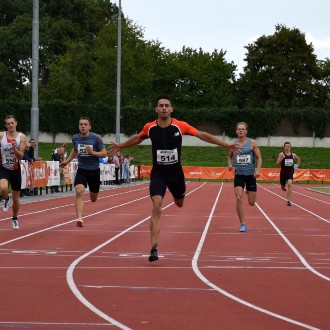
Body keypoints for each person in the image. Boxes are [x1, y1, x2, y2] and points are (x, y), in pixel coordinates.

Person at [109, 94, 240, 262]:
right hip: (159, 174)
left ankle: (179, 195)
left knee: (179, 203)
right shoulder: (150, 127)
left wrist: (225, 144)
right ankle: (154, 248)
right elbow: (138, 138)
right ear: (156, 109)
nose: (163, 108)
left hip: (176, 174)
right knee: (157, 205)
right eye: (160, 105)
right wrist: (121, 145)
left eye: (166, 105)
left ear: (171, 109)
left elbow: (202, 135)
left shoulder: (180, 125)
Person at [60, 117, 106, 227]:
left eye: (85, 124)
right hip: (82, 170)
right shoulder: (75, 138)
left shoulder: (96, 138)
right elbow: (75, 151)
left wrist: (93, 152)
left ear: (90, 126)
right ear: (79, 126)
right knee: (79, 191)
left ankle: (92, 194)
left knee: (93, 198)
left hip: (94, 170)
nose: (83, 126)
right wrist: (66, 161)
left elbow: (104, 153)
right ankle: (80, 218)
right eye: (81, 124)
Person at [227, 122, 262, 233]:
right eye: (239, 129)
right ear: (236, 131)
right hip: (239, 174)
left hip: (251, 175)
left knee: (251, 203)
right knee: (238, 198)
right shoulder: (233, 144)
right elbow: (229, 156)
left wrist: (258, 169)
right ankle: (242, 223)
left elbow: (259, 157)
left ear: (246, 131)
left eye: (243, 129)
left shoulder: (252, 143)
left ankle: (247, 190)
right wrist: (229, 164)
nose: (241, 131)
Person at [0, 115, 27, 229]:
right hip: (3, 167)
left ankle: (15, 218)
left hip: (15, 169)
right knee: (4, 188)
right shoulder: (1, 135)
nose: (10, 125)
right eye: (8, 123)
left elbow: (21, 156)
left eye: (12, 123)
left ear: (16, 123)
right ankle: (5, 199)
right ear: (6, 125)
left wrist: (15, 148)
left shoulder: (22, 137)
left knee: (16, 199)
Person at [275, 141, 301, 206]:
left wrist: (296, 167)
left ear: (290, 147)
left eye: (288, 146)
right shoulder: (281, 154)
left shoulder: (293, 155)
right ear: (284, 147)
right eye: (286, 146)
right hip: (283, 173)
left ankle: (288, 201)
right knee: (282, 187)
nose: (287, 148)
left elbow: (298, 159)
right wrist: (281, 158)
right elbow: (277, 164)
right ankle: (284, 189)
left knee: (289, 184)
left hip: (290, 172)